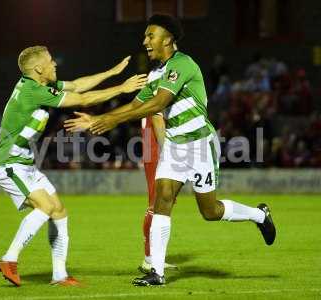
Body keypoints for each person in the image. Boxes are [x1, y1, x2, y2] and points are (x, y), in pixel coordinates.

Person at [64, 15, 276, 286]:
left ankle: (260, 215)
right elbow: (135, 105)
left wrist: (111, 120)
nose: (145, 42)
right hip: (176, 146)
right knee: (162, 199)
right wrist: (97, 119)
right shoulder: (157, 74)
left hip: (200, 145)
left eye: (150, 36)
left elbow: (158, 103)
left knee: (210, 212)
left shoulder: (182, 65)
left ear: (168, 39)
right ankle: (157, 272)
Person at [0, 45, 147, 287]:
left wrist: (111, 73)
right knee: (44, 208)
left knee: (59, 212)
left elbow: (77, 85)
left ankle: (59, 275)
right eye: (51, 61)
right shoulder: (33, 92)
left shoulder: (40, 85)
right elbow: (83, 99)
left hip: (26, 164)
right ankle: (9, 259)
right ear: (38, 68)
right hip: (10, 164)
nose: (55, 64)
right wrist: (122, 88)